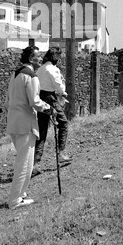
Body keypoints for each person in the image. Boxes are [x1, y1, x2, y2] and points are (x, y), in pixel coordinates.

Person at [5, 45, 52, 209]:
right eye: (39, 56)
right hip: (25, 123)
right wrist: (48, 108)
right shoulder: (31, 76)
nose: (41, 59)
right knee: (24, 162)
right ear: (32, 58)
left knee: (26, 160)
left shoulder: (15, 74)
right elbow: (34, 101)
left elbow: (8, 100)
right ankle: (14, 199)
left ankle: (21, 194)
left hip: (13, 121)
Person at [32, 47, 71, 177]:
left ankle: (35, 163)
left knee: (42, 130)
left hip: (40, 97)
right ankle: (61, 153)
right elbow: (59, 86)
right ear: (56, 57)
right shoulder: (53, 69)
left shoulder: (40, 69)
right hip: (50, 98)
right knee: (63, 123)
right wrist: (63, 92)